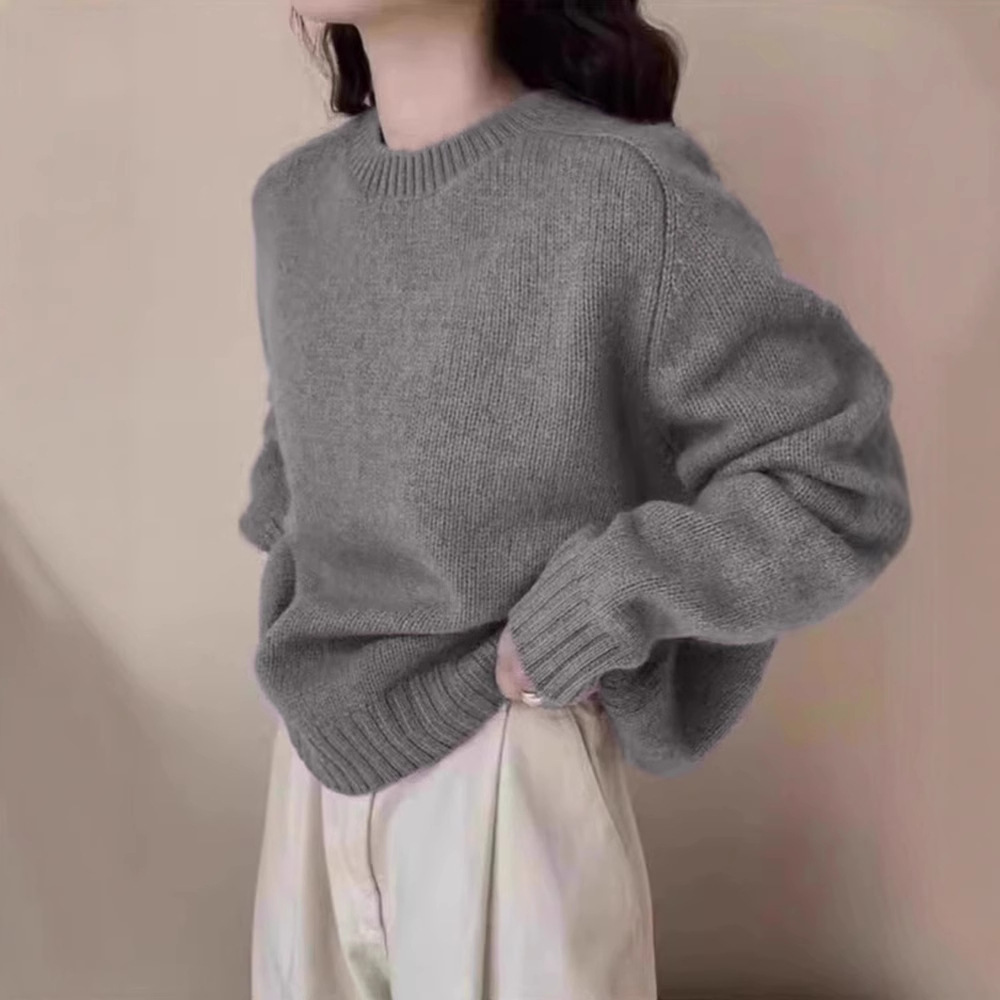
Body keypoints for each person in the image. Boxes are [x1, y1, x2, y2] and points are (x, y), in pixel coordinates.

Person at [238, 2, 913, 998]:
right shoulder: (291, 206)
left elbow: (839, 480)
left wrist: (600, 602)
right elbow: (296, 455)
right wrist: (296, 566)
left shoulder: (621, 192)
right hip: (306, 771)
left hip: (506, 773)